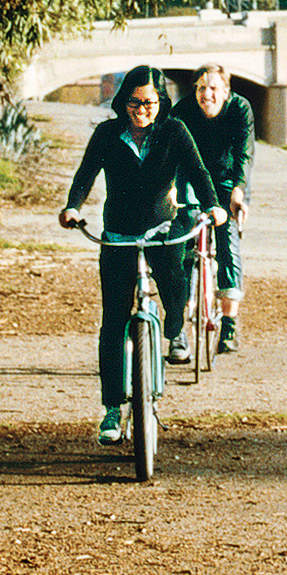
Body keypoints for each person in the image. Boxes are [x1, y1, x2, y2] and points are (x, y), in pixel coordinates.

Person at [59, 66, 216, 441]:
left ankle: (175, 331)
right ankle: (112, 410)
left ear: (161, 103)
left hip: (164, 229)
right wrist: (73, 207)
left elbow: (197, 172)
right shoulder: (106, 134)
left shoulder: (175, 131)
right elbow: (85, 175)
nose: (142, 109)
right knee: (113, 321)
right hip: (118, 236)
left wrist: (213, 207)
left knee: (176, 294)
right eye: (134, 102)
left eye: (150, 102)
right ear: (123, 101)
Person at [184, 59, 256, 351]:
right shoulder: (184, 111)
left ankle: (229, 325)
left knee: (227, 243)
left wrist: (239, 190)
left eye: (213, 88)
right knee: (183, 237)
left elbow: (245, 152)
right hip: (193, 179)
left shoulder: (240, 109)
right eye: (201, 88)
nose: (207, 94)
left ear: (226, 91)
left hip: (227, 182)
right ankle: (180, 313)